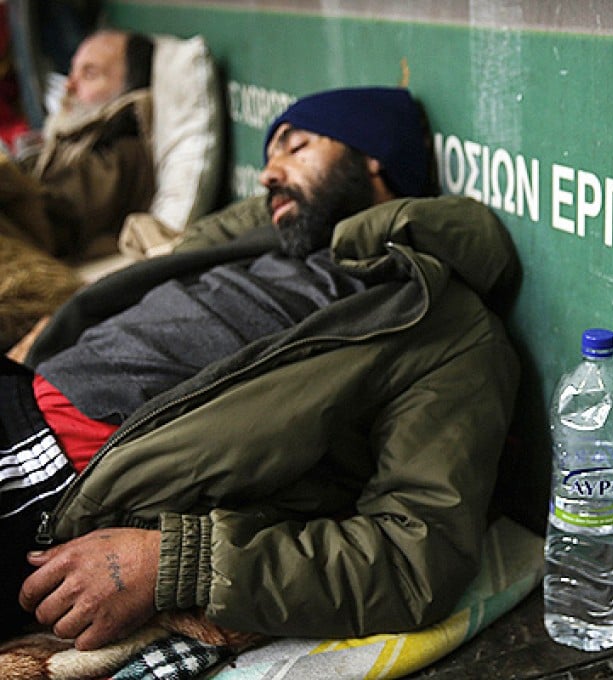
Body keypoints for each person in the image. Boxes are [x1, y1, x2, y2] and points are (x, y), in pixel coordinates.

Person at [0, 86, 521, 651]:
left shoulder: (438, 320)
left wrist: (177, 562)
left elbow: (413, 555)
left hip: (64, 471)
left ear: (375, 157)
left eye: (296, 148)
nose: (270, 173)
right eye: (267, 157)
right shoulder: (258, 244)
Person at [0, 28, 155, 258]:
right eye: (72, 71)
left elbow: (52, 220)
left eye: (89, 74)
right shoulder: (72, 140)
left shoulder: (122, 157)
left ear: (128, 89)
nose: (68, 86)